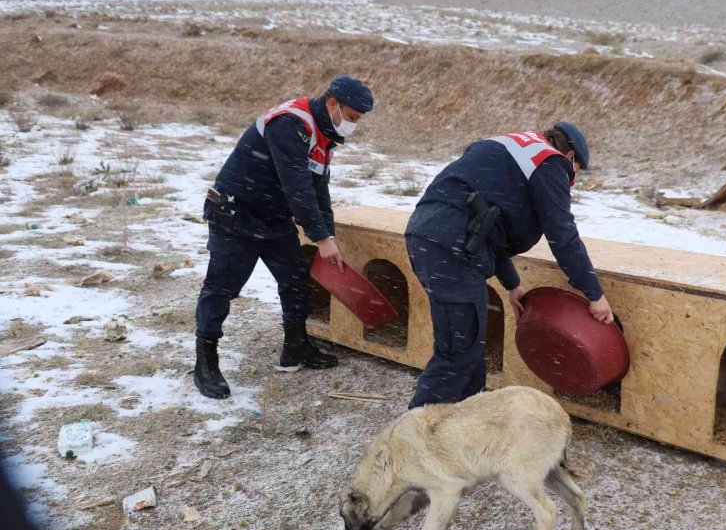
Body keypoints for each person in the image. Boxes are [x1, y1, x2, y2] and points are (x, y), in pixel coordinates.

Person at [405, 122, 613, 408]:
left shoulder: (505, 145)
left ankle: (463, 423)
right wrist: (594, 294)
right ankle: (416, 434)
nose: (572, 179)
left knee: (468, 345)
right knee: (458, 352)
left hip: (430, 235)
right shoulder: (550, 162)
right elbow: (562, 234)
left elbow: (488, 219)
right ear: (571, 157)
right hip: (452, 249)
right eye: (575, 171)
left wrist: (512, 285)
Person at [192, 75, 375, 399]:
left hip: (274, 218)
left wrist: (328, 234)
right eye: (352, 117)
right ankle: (206, 362)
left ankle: (296, 347)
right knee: (221, 289)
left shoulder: (323, 135)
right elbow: (296, 184)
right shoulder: (291, 123)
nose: (353, 125)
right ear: (333, 104)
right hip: (237, 214)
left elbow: (319, 190)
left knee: (295, 280)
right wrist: (320, 238)